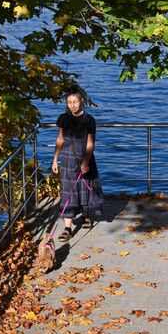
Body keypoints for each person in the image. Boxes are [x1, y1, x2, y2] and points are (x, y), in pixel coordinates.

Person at [51, 85, 103, 242]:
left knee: (84, 189)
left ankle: (86, 216)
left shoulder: (89, 120)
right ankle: (68, 228)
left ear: (81, 102)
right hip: (67, 159)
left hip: (84, 158)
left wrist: (86, 161)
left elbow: (90, 143)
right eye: (69, 102)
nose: (72, 105)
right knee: (68, 192)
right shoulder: (63, 119)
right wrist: (55, 159)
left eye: (75, 101)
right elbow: (60, 140)